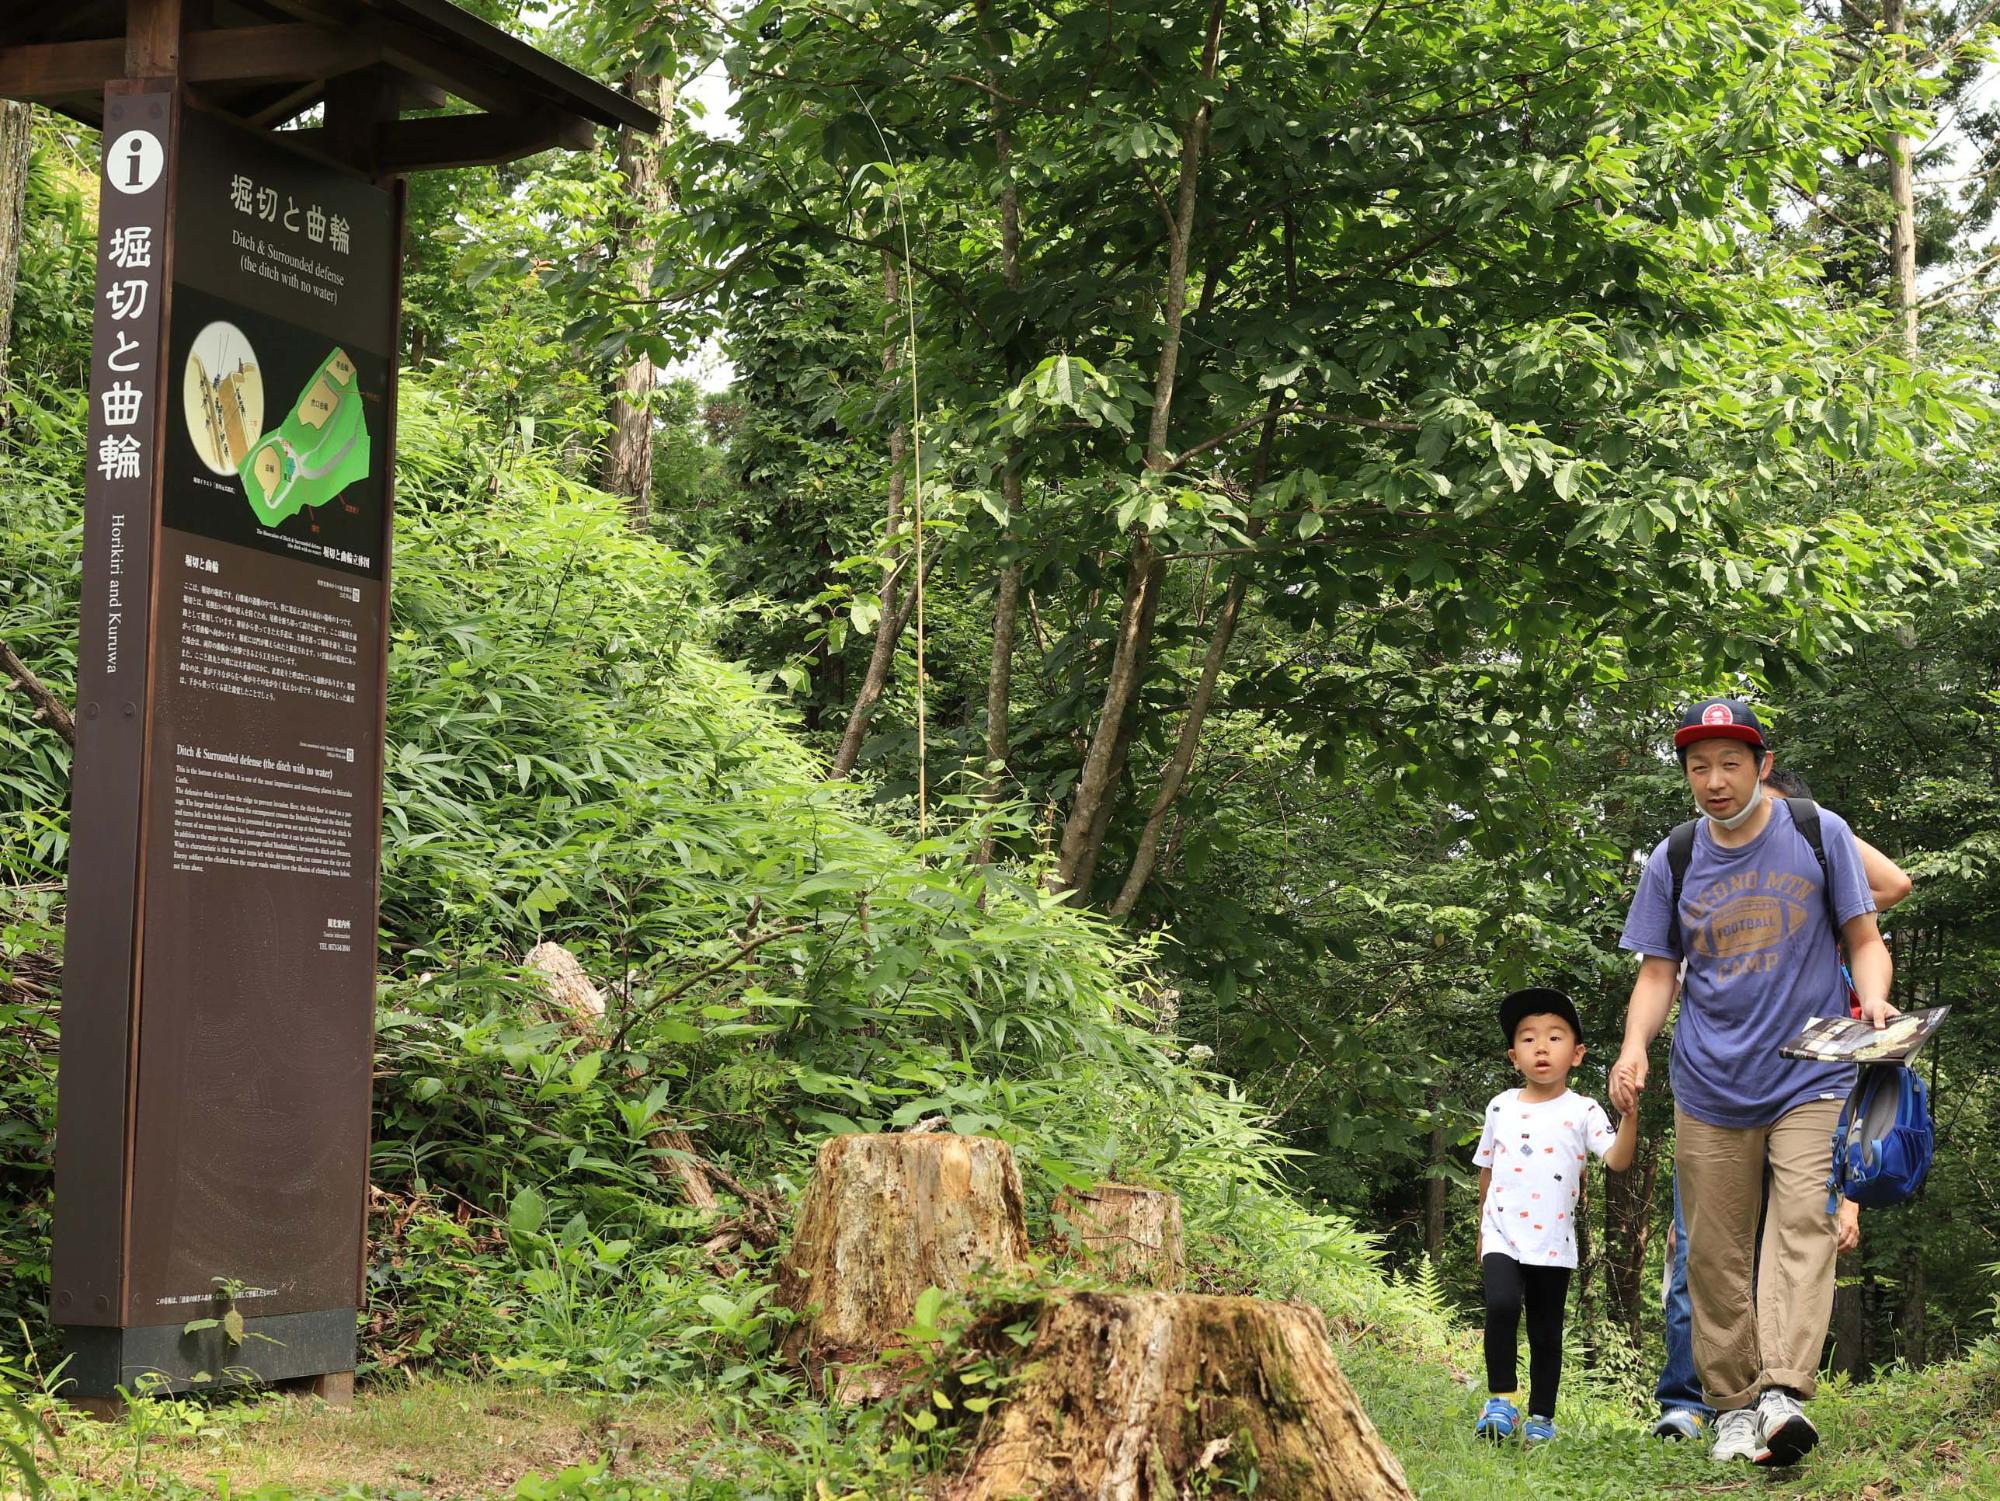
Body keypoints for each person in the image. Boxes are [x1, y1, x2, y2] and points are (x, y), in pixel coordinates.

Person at [1612, 699, 1898, 1467]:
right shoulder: (1674, 856)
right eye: (1698, 766)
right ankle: (1732, 1406)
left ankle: (1782, 1392)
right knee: (1713, 1253)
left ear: (1762, 765)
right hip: (1710, 1082)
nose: (1714, 779)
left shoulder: (1816, 832)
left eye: (1730, 763)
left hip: (1811, 1073)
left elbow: (1865, 938)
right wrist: (1634, 1044)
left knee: (1805, 1222)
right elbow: (1657, 971)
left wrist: (1871, 995)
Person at [1473, 987, 1638, 1445]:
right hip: (1502, 1233)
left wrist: (1630, 1114)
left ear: (1577, 1053)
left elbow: (1618, 1160)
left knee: (1546, 1331)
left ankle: (1541, 1417)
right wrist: (1481, 1231)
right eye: (1527, 1039)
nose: (1541, 1048)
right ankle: (1500, 1402)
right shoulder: (1501, 1106)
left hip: (1552, 1241)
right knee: (1502, 1307)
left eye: (1554, 1037)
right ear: (1513, 1056)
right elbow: (1487, 1169)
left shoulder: (1583, 1110)